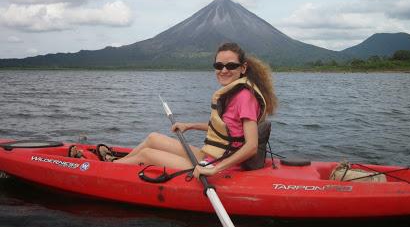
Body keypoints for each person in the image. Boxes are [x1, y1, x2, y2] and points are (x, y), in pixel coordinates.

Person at [97, 42, 277, 179]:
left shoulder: (245, 97)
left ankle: (102, 171)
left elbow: (251, 147)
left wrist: (214, 169)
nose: (223, 70)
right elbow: (228, 130)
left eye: (230, 66)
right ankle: (116, 163)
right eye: (218, 66)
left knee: (147, 155)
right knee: (153, 137)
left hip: (220, 165)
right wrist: (189, 126)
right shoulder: (232, 93)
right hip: (211, 156)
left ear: (243, 68)